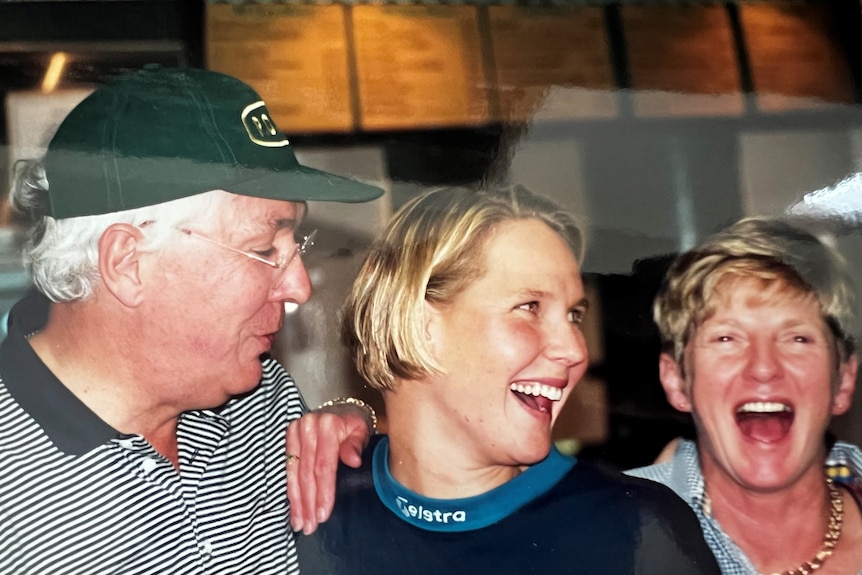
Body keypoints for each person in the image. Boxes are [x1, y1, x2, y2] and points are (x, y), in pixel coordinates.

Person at [0, 66, 380, 574]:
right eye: (264, 248)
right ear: (128, 263)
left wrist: (351, 418)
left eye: (295, 245)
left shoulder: (256, 395)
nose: (300, 288)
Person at [296, 185, 722, 574]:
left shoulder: (638, 530)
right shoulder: (309, 502)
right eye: (530, 307)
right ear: (421, 324)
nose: (575, 350)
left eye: (574, 315)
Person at [628, 217, 862, 574]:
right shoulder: (610, 535)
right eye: (727, 339)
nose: (764, 367)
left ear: (843, 381)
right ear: (676, 380)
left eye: (797, 338)